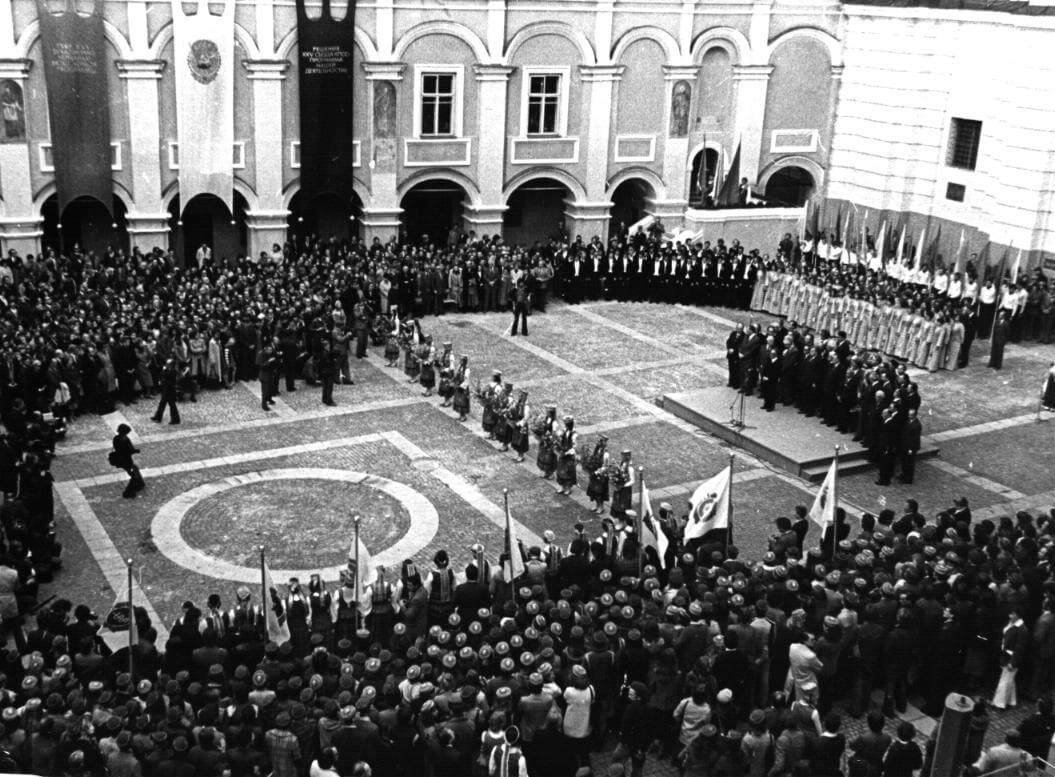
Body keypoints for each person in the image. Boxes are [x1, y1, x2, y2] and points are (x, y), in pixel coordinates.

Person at [109, 423, 144, 499]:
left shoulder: (116, 438)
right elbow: (128, 451)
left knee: (135, 469)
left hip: (121, 460)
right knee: (134, 475)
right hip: (126, 461)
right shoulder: (124, 440)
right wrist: (135, 451)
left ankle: (140, 484)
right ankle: (128, 492)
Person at [151, 358, 181, 425]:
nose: (166, 365)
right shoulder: (168, 370)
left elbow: (167, 377)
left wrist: (164, 372)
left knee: (172, 406)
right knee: (162, 404)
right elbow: (162, 375)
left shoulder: (173, 372)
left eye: (168, 364)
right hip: (166, 390)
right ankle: (158, 417)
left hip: (170, 391)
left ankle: (175, 419)